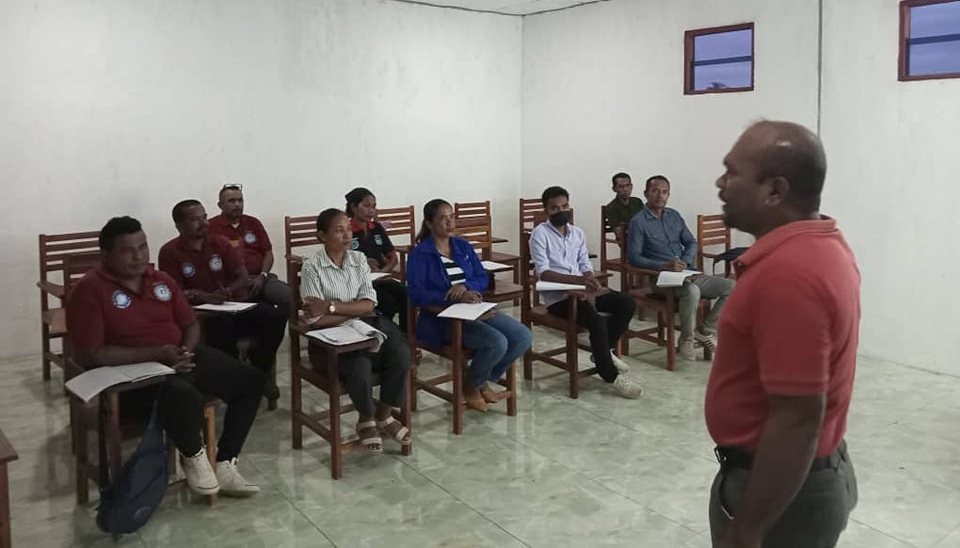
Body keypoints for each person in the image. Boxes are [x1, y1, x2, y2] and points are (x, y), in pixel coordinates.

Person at [705, 121, 859, 547]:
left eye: (732, 172)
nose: (720, 183)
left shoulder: (789, 273)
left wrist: (749, 529)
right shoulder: (820, 243)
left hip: (781, 497)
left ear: (774, 191)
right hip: (800, 478)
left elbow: (797, 417)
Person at [67, 216, 262, 497]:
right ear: (106, 255)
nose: (138, 256)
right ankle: (193, 455)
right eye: (128, 250)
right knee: (184, 395)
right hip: (127, 378)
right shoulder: (90, 289)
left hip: (176, 358)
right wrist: (158, 354)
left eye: (143, 247)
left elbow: (190, 324)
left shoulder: (160, 280)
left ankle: (225, 461)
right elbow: (91, 353)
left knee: (251, 381)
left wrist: (185, 350)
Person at [300, 208, 412, 454]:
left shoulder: (358, 260)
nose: (346, 235)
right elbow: (317, 319)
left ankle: (383, 415)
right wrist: (353, 310)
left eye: (348, 229)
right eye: (339, 230)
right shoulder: (312, 267)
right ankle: (366, 419)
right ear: (322, 236)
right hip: (328, 342)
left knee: (402, 354)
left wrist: (332, 306)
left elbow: (370, 304)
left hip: (365, 329)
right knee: (359, 366)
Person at [406, 199, 533, 412]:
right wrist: (450, 296)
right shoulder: (420, 254)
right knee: (497, 343)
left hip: (473, 309)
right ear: (429, 223)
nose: (449, 222)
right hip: (441, 317)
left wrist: (465, 286)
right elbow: (417, 293)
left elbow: (482, 278)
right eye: (442, 218)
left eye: (451, 217)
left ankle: (478, 379)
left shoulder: (462, 246)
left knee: (523, 336)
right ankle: (473, 385)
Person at [158, 199, 287, 403]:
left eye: (204, 217)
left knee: (274, 314)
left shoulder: (219, 243)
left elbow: (242, 277)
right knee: (222, 326)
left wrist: (229, 290)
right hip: (201, 314)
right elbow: (173, 293)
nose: (203, 223)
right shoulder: (170, 251)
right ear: (179, 225)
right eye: (195, 220)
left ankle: (259, 372)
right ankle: (235, 383)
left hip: (232, 305)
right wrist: (203, 296)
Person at [530, 186, 643, 399]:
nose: (561, 211)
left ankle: (604, 351)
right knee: (596, 321)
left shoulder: (577, 233)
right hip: (560, 298)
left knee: (626, 303)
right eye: (554, 208)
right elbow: (543, 273)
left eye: (564, 206)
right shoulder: (539, 234)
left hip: (584, 290)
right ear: (546, 210)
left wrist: (589, 277)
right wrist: (579, 282)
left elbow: (584, 262)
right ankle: (610, 376)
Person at [627, 175, 735, 361]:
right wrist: (664, 266)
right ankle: (686, 339)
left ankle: (705, 329)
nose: (660, 196)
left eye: (664, 191)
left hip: (687, 273)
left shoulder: (674, 215)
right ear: (646, 194)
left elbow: (691, 242)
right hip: (661, 280)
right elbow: (634, 258)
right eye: (655, 191)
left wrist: (685, 262)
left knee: (732, 287)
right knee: (692, 291)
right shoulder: (638, 222)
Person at [209, 183, 291, 311]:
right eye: (231, 201)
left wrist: (262, 276)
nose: (237, 204)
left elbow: (268, 253)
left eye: (240, 200)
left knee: (290, 296)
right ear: (220, 205)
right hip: (231, 284)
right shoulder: (211, 227)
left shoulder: (253, 223)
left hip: (260, 279)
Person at [344, 187, 408, 331]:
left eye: (374, 206)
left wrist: (383, 272)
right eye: (366, 206)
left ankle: (406, 337)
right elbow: (341, 259)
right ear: (353, 207)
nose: (371, 210)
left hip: (379, 278)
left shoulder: (377, 228)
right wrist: (363, 263)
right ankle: (380, 336)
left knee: (406, 294)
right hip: (357, 282)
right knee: (388, 303)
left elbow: (393, 258)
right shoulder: (345, 230)